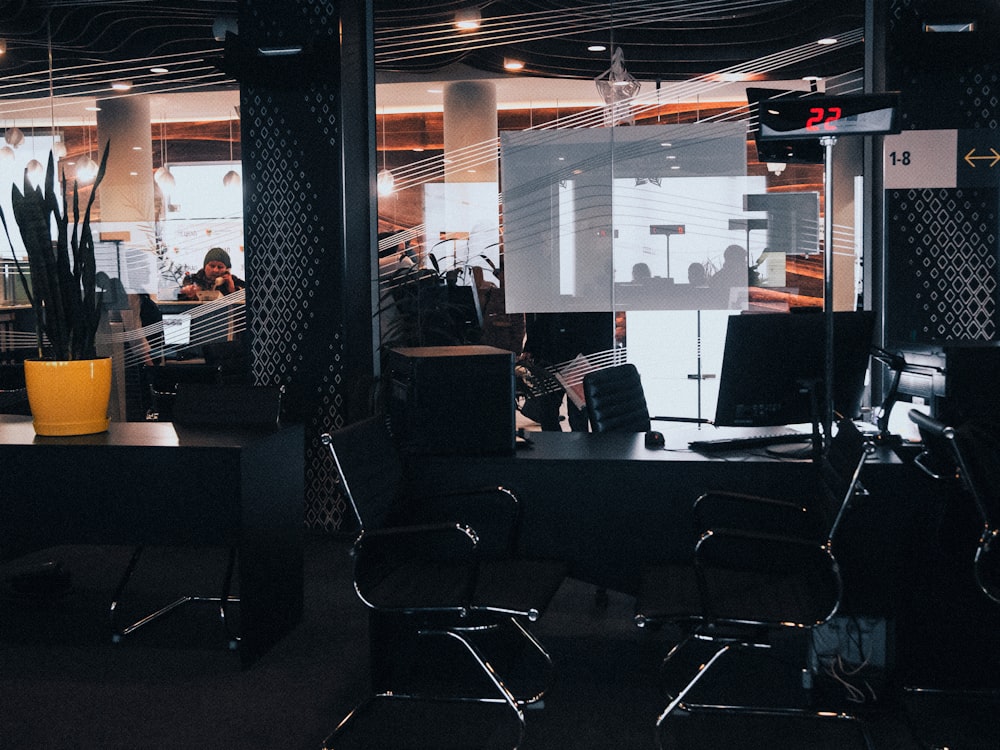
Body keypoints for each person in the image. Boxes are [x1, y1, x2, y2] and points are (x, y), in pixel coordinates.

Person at [179, 248, 245, 300]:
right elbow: (177, 296)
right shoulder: (192, 279)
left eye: (220, 267)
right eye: (212, 266)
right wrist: (189, 294)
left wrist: (232, 289)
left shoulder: (233, 281)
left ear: (227, 269)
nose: (215, 270)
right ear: (205, 266)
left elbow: (249, 297)